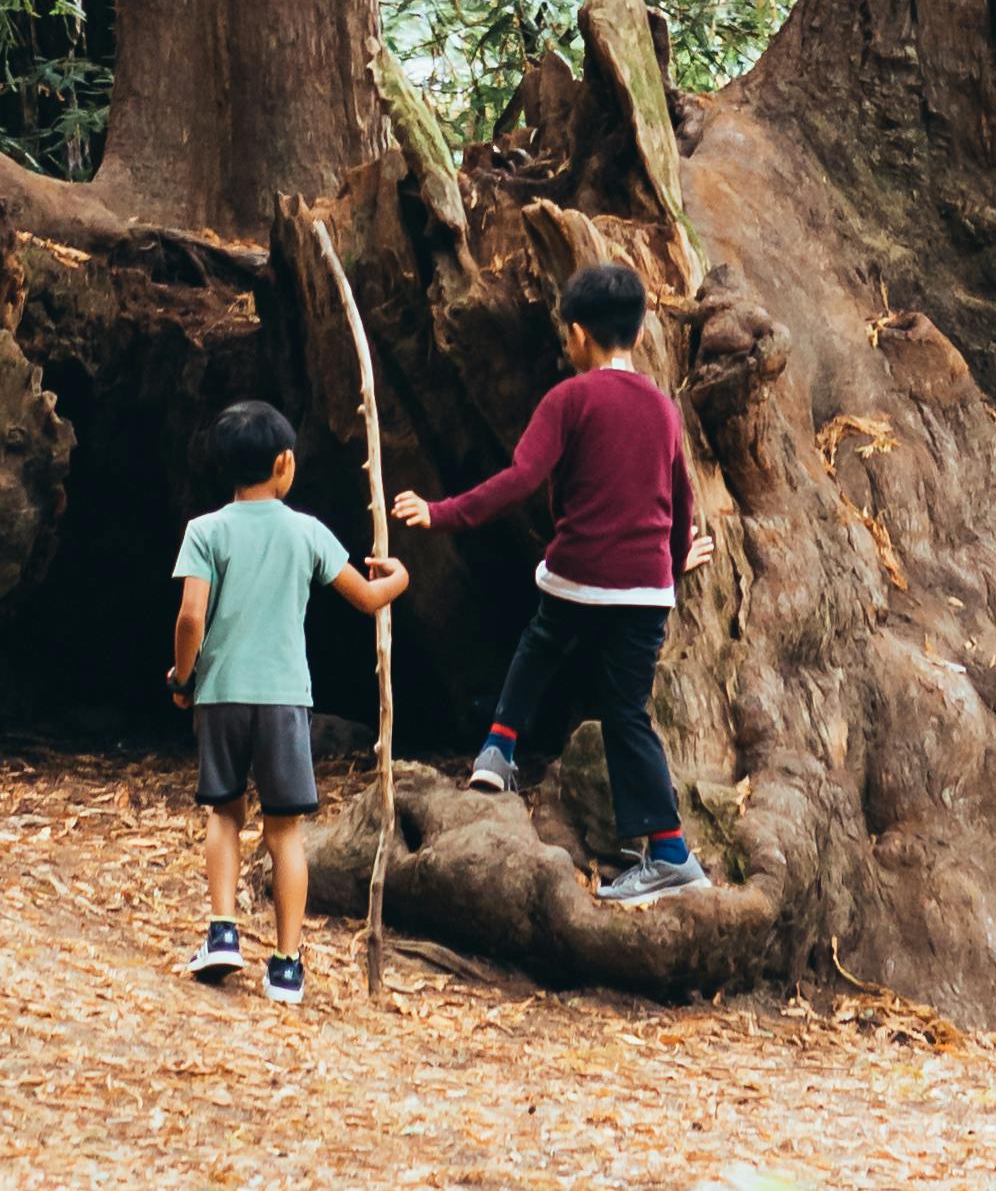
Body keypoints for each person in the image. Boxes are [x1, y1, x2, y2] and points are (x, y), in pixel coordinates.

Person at [391, 256, 714, 905]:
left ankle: (496, 751)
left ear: (576, 333)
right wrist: (674, 555)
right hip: (644, 591)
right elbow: (679, 495)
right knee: (627, 715)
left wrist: (439, 512)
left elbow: (519, 479)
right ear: (637, 327)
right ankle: (670, 851)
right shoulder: (660, 406)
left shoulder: (568, 397)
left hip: (575, 578)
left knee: (539, 645)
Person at [169, 398, 409, 1003]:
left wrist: (182, 676)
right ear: (284, 465)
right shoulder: (307, 531)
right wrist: (400, 576)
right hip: (283, 701)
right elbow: (368, 597)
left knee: (223, 812)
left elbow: (191, 615)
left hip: (221, 695)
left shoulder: (205, 530)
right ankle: (285, 966)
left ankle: (222, 932)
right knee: (286, 833)